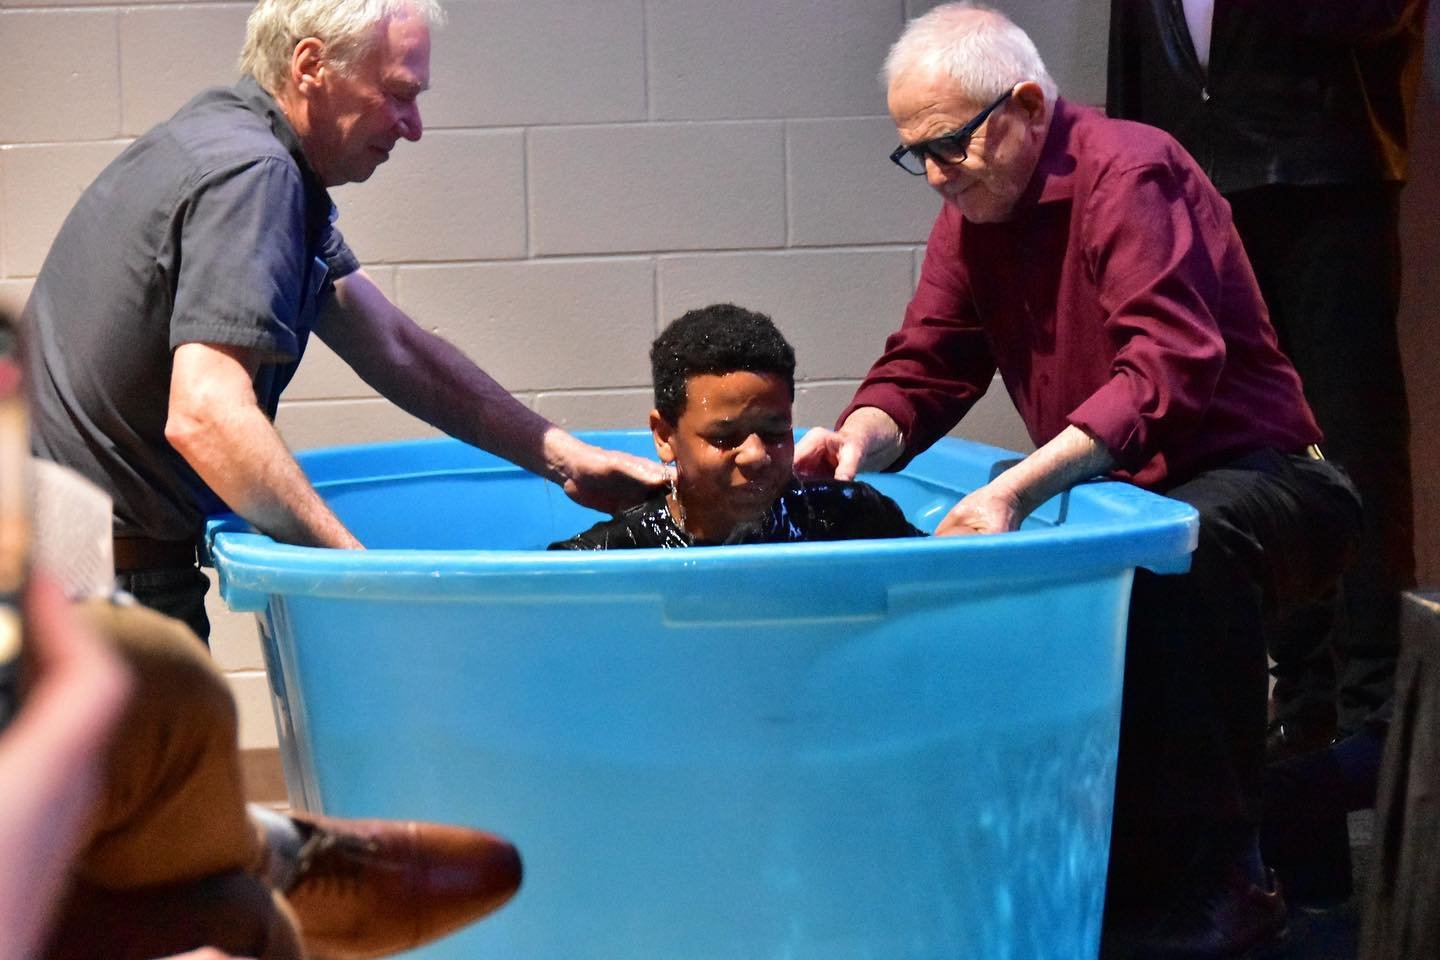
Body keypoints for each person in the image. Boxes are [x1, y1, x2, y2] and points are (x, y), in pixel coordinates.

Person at [792, 5, 1362, 958]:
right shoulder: (972, 210)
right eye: (915, 155)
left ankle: (1225, 883)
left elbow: (1167, 370)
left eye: (949, 147)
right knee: (1093, 555)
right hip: (1129, 495)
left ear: (1024, 104)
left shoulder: (1129, 169)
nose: (935, 174)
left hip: (1265, 480)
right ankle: (1083, 864)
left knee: (1174, 550)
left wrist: (1017, 489)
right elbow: (928, 363)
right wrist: (854, 439)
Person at [21, 0, 665, 644]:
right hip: (99, 584)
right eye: (398, 94)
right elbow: (207, 417)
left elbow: (395, 347)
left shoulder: (232, 140)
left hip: (65, 563)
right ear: (311, 65)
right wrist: (359, 581)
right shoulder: (255, 174)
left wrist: (566, 458)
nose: (413, 126)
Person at [2, 304, 522, 960]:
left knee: (149, 673)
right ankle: (271, 858)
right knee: (232, 917)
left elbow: (390, 338)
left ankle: (263, 854)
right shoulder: (243, 199)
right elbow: (202, 413)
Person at [1106, 0, 1427, 906]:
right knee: (1251, 441)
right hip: (1196, 179)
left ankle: (1377, 707)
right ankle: (1303, 714)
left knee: (1352, 430)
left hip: (1324, 166)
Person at [549, 304, 923, 550]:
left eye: (776, 431)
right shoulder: (616, 552)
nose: (757, 454)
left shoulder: (849, 518)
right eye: (724, 437)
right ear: (665, 436)